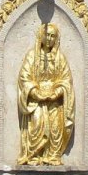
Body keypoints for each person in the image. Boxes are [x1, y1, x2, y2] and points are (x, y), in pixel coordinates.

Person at [16, 22, 75, 166]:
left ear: (56, 39)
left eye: (52, 36)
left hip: (54, 101)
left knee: (55, 128)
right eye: (47, 35)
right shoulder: (32, 56)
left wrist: (57, 92)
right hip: (36, 101)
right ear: (41, 36)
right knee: (36, 125)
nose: (49, 38)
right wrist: (35, 93)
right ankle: (33, 156)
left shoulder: (60, 58)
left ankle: (52, 156)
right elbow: (24, 77)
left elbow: (66, 80)